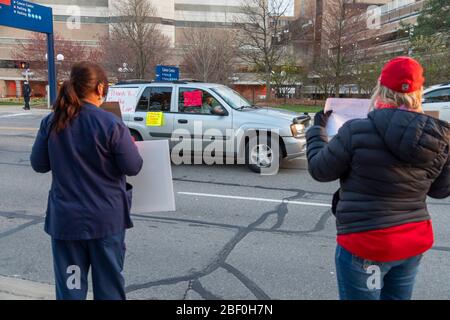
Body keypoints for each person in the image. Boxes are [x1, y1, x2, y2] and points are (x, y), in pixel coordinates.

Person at [306, 56, 450, 300]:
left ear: (380, 88)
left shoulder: (356, 131)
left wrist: (316, 131)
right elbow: (440, 190)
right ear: (419, 92)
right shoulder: (440, 135)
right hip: (412, 241)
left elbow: (320, 170)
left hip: (366, 242)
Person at [30, 61, 143, 300]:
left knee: (70, 291)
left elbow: (39, 164)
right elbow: (133, 166)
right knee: (109, 290)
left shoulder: (51, 122)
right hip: (106, 222)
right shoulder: (111, 123)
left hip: (66, 222)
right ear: (100, 88)